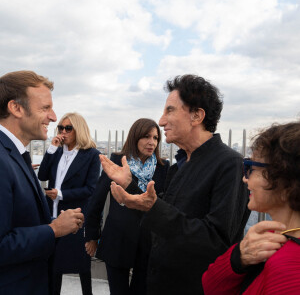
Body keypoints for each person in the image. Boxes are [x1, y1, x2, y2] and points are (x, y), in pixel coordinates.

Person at [100, 74, 250, 294]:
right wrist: (131, 185)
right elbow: (163, 211)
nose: (161, 121)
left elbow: (216, 242)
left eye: (169, 110)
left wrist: (153, 207)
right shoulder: (180, 165)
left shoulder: (230, 165)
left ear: (197, 116)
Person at [0, 70, 84, 295]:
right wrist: (53, 229)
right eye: (45, 108)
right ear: (16, 108)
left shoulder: (13, 155)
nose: (54, 117)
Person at [202, 122, 300, 294]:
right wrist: (238, 258)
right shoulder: (268, 237)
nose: (245, 179)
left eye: (251, 169)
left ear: (287, 184)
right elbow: (210, 285)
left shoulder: (290, 269)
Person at [85, 118, 170, 295]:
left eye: (155, 138)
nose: (151, 142)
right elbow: (96, 200)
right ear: (135, 137)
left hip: (148, 243)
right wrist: (92, 236)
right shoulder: (117, 161)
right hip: (118, 238)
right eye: (146, 136)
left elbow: (161, 204)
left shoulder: (163, 167)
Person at [38, 112, 100, 295]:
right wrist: (51, 149)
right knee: (54, 265)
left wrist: (61, 194)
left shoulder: (91, 155)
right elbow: (42, 176)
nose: (63, 131)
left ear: (78, 130)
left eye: (68, 128)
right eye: (61, 127)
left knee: (82, 265)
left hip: (75, 217)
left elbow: (90, 188)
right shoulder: (56, 152)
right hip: (52, 216)